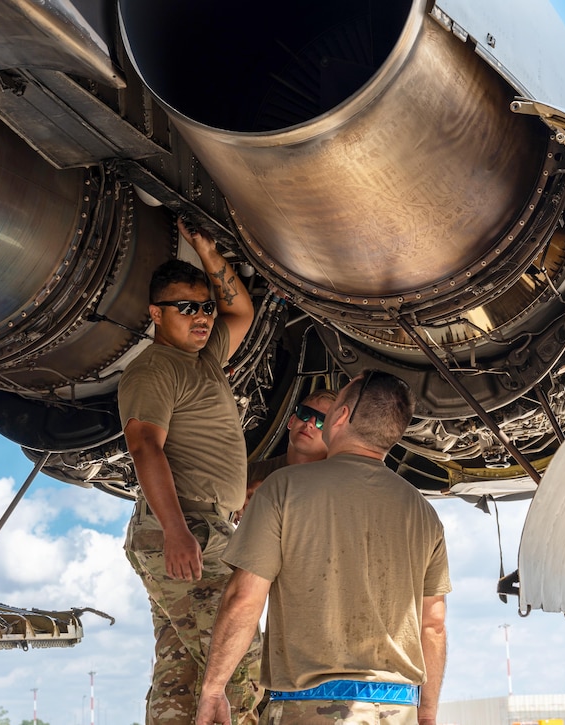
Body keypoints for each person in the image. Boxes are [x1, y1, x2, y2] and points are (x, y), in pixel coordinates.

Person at [195, 370, 451, 725]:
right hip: (399, 709)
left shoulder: (284, 488)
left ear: (342, 416)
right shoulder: (424, 513)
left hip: (312, 708)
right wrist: (426, 714)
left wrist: (212, 689)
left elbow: (244, 598)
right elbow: (433, 625)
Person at [118, 217, 262, 725]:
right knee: (237, 661)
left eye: (204, 307)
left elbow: (240, 309)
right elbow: (145, 448)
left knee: (183, 674)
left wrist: (207, 249)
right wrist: (178, 531)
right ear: (157, 314)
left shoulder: (205, 359)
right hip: (186, 528)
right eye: (186, 308)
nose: (202, 317)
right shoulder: (156, 369)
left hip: (204, 526)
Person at [242, 388, 337, 516]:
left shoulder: (335, 486)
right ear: (291, 421)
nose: (309, 423)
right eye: (305, 413)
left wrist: (273, 490)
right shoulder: (250, 474)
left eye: (322, 421)